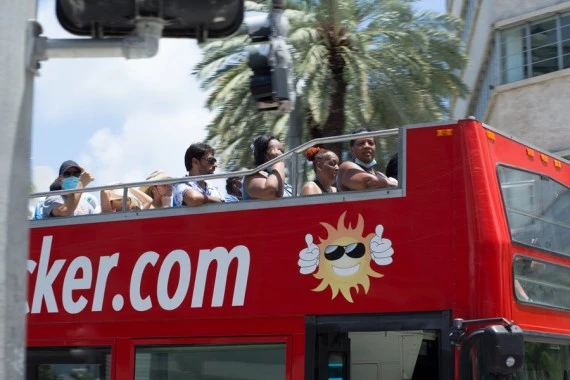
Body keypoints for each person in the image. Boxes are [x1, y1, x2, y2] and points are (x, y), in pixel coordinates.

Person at [243, 135, 292, 200]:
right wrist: (278, 160)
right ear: (262, 155)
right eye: (274, 150)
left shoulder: (287, 186)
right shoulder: (251, 176)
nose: (280, 154)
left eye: (282, 151)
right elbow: (271, 191)